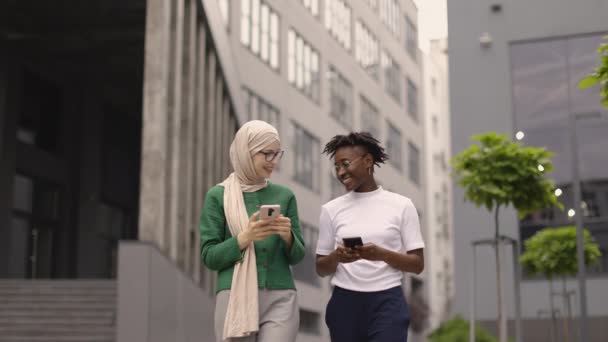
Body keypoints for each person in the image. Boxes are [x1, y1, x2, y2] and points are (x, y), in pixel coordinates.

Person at [200, 120, 305, 342]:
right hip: (234, 297)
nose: (273, 162)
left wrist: (288, 237)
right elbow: (209, 256)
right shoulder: (218, 196)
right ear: (246, 152)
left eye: (277, 154)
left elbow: (297, 256)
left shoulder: (285, 196)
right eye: (267, 154)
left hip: (281, 297)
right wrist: (244, 238)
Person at [315, 132, 425, 342]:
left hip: (388, 301)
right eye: (337, 167)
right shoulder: (330, 210)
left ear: (367, 161)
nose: (341, 172)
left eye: (345, 164)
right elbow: (320, 268)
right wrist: (337, 257)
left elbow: (417, 264)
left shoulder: (402, 205)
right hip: (344, 302)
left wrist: (381, 254)